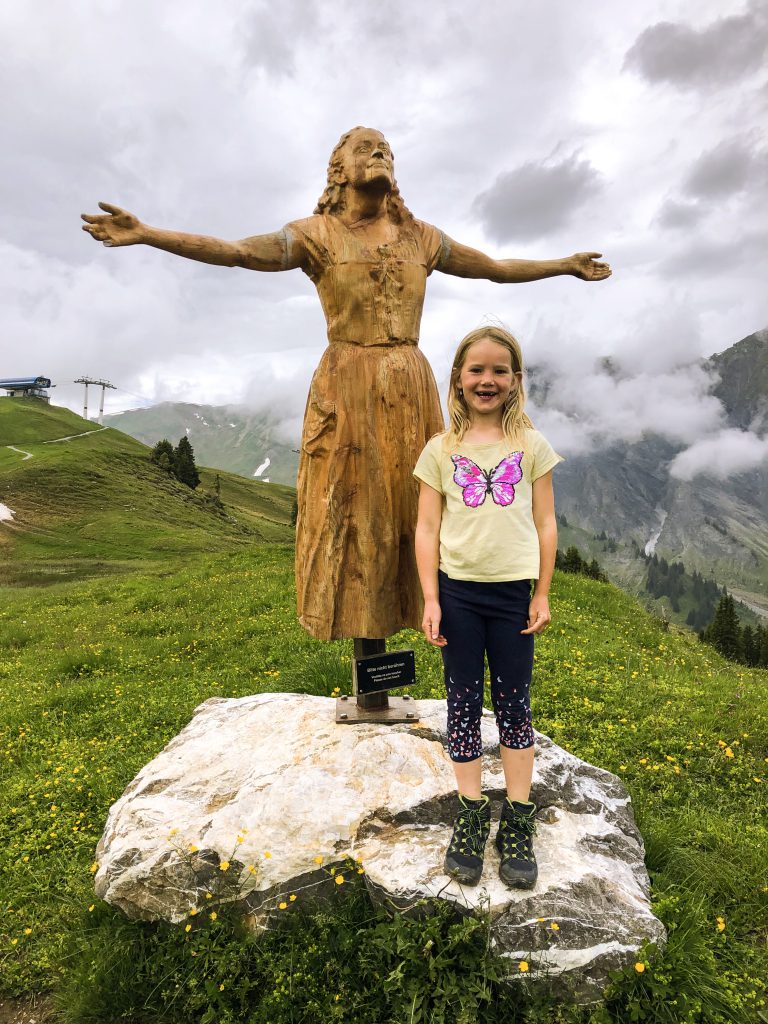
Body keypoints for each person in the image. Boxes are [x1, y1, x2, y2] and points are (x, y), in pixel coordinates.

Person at [82, 126, 607, 642]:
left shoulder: (421, 237)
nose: (379, 153)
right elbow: (238, 251)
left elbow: (492, 266)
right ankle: (356, 625)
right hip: (347, 383)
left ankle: (425, 609)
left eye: (387, 150)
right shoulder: (315, 235)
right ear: (340, 169)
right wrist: (149, 234)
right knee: (348, 504)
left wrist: (563, 265)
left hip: (409, 382)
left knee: (416, 502)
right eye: (366, 148)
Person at [413, 325, 562, 888]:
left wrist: (542, 591)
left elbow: (546, 523)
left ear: (515, 381)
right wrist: (430, 597)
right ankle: (472, 812)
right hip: (457, 594)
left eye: (500, 371)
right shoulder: (441, 450)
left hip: (511, 598)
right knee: (463, 701)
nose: (487, 380)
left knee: (513, 702)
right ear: (458, 379)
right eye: (477, 370)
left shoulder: (530, 446)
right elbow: (427, 527)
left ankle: (518, 816)